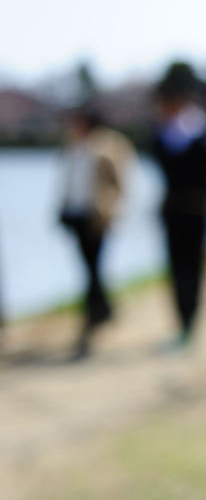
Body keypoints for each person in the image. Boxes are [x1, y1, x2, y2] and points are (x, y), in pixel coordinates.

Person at [58, 107, 135, 360]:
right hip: (75, 214)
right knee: (87, 264)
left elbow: (119, 180)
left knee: (94, 264)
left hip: (97, 216)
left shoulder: (108, 145)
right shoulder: (72, 146)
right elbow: (67, 181)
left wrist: (113, 211)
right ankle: (101, 310)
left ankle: (94, 313)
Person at [152, 63, 206, 348]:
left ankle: (192, 322)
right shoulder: (162, 134)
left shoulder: (201, 131)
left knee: (194, 266)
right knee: (176, 268)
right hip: (173, 210)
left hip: (198, 209)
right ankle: (182, 321)